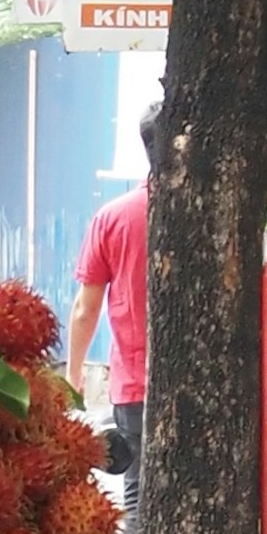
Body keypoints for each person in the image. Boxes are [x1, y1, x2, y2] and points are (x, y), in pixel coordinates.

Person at [65, 93, 183, 485]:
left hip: (135, 384)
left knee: (138, 494)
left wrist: (74, 373)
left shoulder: (113, 217)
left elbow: (86, 309)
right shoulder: (207, 213)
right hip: (200, 382)